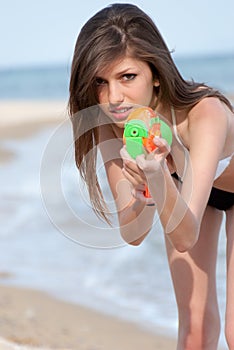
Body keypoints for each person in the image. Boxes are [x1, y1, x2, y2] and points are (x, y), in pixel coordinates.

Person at [68, 3, 234, 349]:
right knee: (194, 334)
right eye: (100, 82)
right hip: (186, 196)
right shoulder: (113, 125)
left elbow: (185, 236)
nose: (114, 97)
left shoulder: (204, 114)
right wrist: (146, 185)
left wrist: (156, 173)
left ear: (155, 72)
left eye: (127, 77)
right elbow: (133, 232)